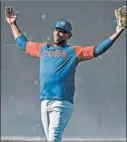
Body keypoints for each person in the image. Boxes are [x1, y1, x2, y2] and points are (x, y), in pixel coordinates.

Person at [5, 6, 126, 141]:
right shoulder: (44, 48)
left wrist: (118, 31)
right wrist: (12, 24)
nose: (58, 33)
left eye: (62, 31)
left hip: (61, 102)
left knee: (54, 139)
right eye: (56, 30)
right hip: (44, 101)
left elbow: (97, 50)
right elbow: (23, 44)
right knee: (51, 139)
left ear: (69, 35)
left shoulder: (73, 51)